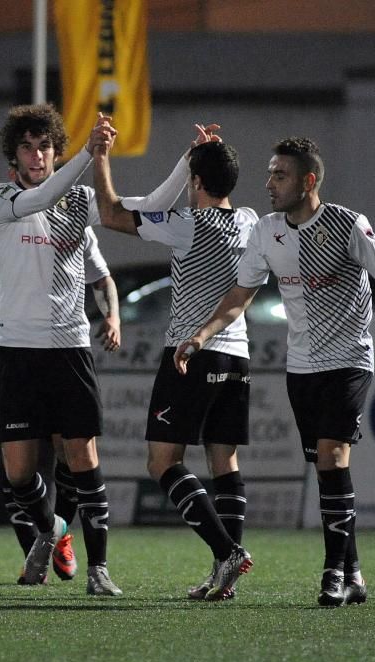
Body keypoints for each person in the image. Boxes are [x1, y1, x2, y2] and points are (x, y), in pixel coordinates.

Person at [174, 136, 375, 606]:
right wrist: (201, 334)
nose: (270, 183)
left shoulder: (346, 225)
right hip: (301, 367)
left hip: (349, 359)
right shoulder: (267, 232)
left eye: (280, 175)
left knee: (332, 457)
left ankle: (332, 574)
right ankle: (355, 571)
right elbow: (240, 295)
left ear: (309, 180)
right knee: (327, 470)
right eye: (270, 173)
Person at [92, 120, 255, 601]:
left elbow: (111, 213)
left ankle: (227, 553)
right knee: (224, 460)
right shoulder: (247, 220)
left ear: (197, 183)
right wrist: (197, 157)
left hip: (191, 353)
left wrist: (100, 158)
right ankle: (225, 573)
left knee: (163, 461)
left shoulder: (187, 226)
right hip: (237, 353)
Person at [0, 103, 122, 595]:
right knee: (18, 473)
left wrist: (112, 313)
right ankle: (54, 531)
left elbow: (122, 224)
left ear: (55, 151)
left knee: (81, 454)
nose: (37, 155)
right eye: (28, 147)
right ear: (13, 155)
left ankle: (98, 570)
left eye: (45, 147)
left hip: (68, 347)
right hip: (15, 351)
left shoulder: (78, 203)